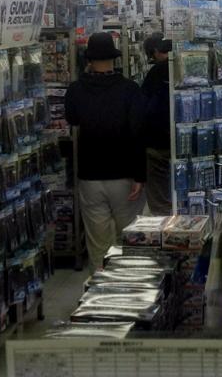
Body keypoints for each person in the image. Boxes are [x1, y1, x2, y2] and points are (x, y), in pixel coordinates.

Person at [66, 32, 146, 271]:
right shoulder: (130, 89)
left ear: (89, 60)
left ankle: (101, 285)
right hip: (124, 175)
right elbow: (138, 133)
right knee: (130, 239)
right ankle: (130, 283)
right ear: (114, 58)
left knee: (98, 244)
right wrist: (140, 175)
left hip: (90, 175)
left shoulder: (76, 90)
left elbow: (72, 119)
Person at [140, 33, 173, 215]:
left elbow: (146, 108)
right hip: (191, 144)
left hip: (158, 144)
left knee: (160, 202)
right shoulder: (188, 63)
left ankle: (164, 224)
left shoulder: (156, 72)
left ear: (155, 52)